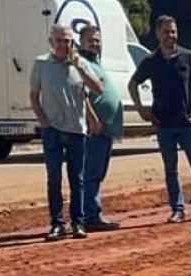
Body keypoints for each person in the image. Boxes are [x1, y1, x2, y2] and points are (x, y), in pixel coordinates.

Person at [127, 15, 191, 224]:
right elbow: (132, 84)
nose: (171, 35)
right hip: (164, 125)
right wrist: (141, 108)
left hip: (188, 124)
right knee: (171, 169)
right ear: (158, 34)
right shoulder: (151, 61)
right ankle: (178, 210)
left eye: (173, 31)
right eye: (166, 32)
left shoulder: (187, 57)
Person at [30, 24, 103, 242]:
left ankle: (78, 223)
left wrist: (79, 67)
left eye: (68, 41)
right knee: (54, 178)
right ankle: (57, 224)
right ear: (51, 41)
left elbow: (98, 89)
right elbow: (34, 95)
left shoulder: (80, 64)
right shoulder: (41, 63)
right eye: (60, 40)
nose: (64, 45)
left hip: (77, 131)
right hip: (52, 130)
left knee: (77, 179)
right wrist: (44, 122)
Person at [78, 24, 123, 231]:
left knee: (98, 172)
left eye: (97, 40)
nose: (95, 44)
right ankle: (90, 216)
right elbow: (82, 95)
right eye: (91, 40)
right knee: (92, 173)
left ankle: (92, 213)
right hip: (95, 130)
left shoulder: (96, 62)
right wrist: (94, 120)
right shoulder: (82, 64)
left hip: (106, 130)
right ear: (81, 42)